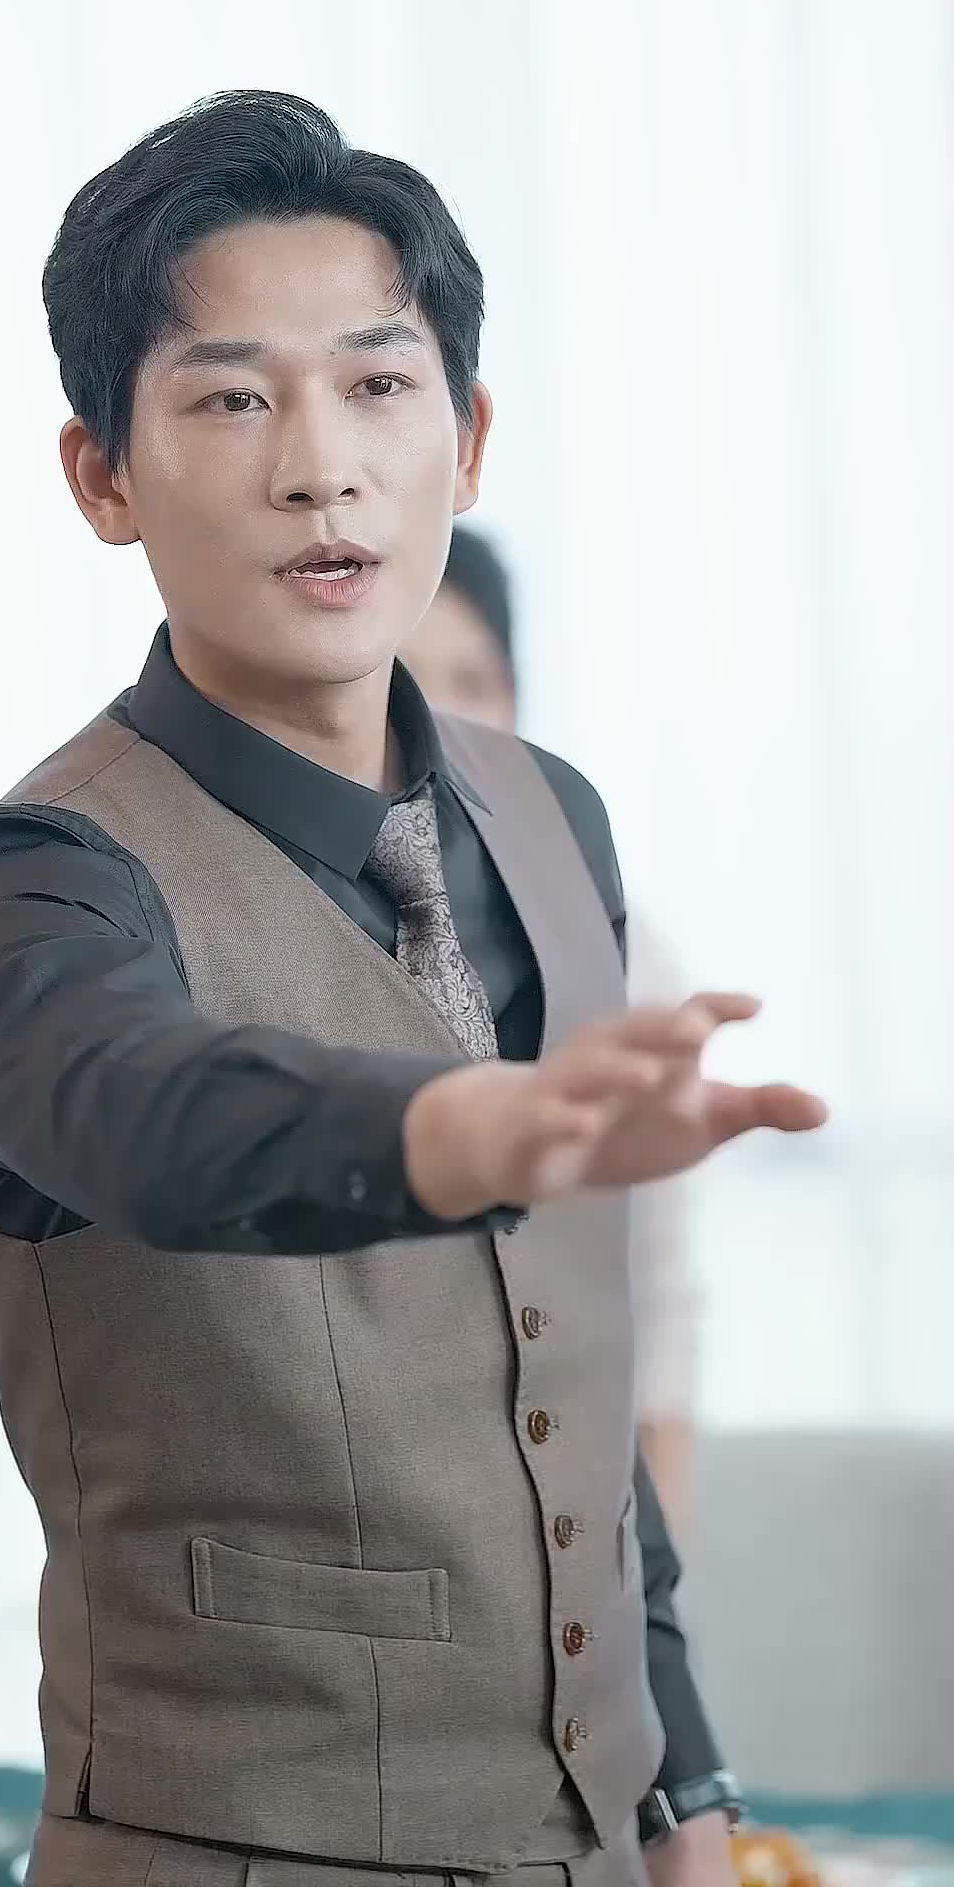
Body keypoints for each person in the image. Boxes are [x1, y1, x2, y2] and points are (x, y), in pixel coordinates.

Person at [0, 92, 826, 1887]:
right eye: (232, 400)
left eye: (379, 385)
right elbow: (156, 1121)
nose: (321, 468)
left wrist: (686, 1800)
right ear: (100, 477)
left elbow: (580, 1415)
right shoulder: (16, 888)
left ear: (465, 440)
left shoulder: (554, 819)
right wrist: (469, 1128)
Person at [403, 530, 700, 1538]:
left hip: (585, 1502)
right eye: (407, 679)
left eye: (474, 680)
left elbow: (658, 1287)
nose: (445, 715)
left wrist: (663, 1548)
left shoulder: (613, 936)